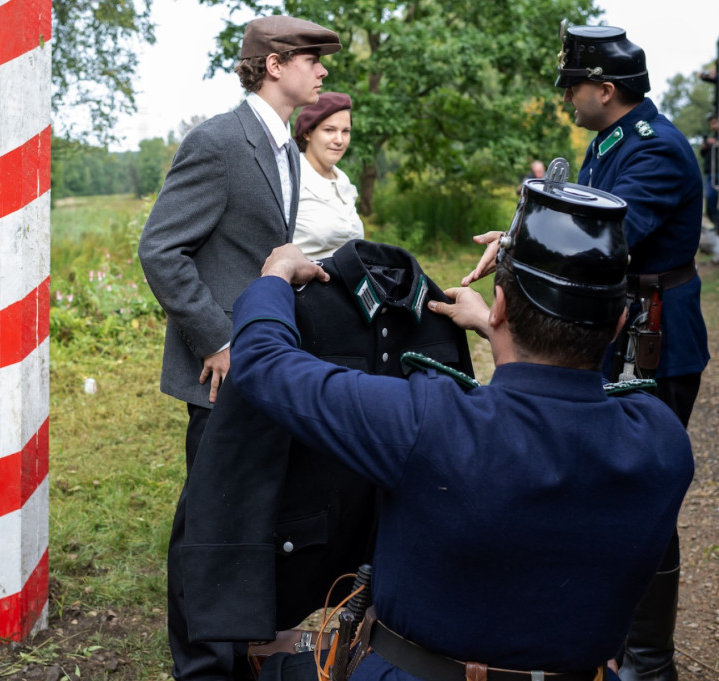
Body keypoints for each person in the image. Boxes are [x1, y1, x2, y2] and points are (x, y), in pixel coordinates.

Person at [230, 179, 693, 681]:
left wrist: (275, 276)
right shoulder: (662, 440)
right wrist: (501, 326)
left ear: (497, 306)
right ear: (621, 321)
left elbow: (264, 364)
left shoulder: (429, 422)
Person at [461, 25, 709, 681]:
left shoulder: (655, 151)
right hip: (616, 334)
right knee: (594, 484)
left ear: (605, 88)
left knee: (642, 489)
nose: (568, 97)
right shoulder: (608, 143)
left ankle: (648, 661)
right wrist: (516, 233)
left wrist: (517, 245)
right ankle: (598, 637)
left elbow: (602, 235)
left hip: (656, 341)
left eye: (573, 86)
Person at [137, 14, 341, 681]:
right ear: (275, 63)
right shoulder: (220, 140)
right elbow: (162, 250)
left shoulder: (283, 145)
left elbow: (256, 249)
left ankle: (236, 649)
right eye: (313, 57)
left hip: (261, 364)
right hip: (220, 368)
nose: (324, 70)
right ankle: (200, 663)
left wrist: (300, 270)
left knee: (242, 512)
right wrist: (218, 337)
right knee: (205, 524)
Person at [291, 91, 365, 258]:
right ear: (307, 133)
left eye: (345, 131)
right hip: (302, 282)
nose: (339, 140)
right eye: (329, 130)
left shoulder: (343, 182)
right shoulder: (291, 179)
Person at [701, 112, 718, 227]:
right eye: (711, 124)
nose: (713, 126)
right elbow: (704, 155)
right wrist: (704, 147)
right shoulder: (711, 139)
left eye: (715, 123)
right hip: (711, 173)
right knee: (710, 202)